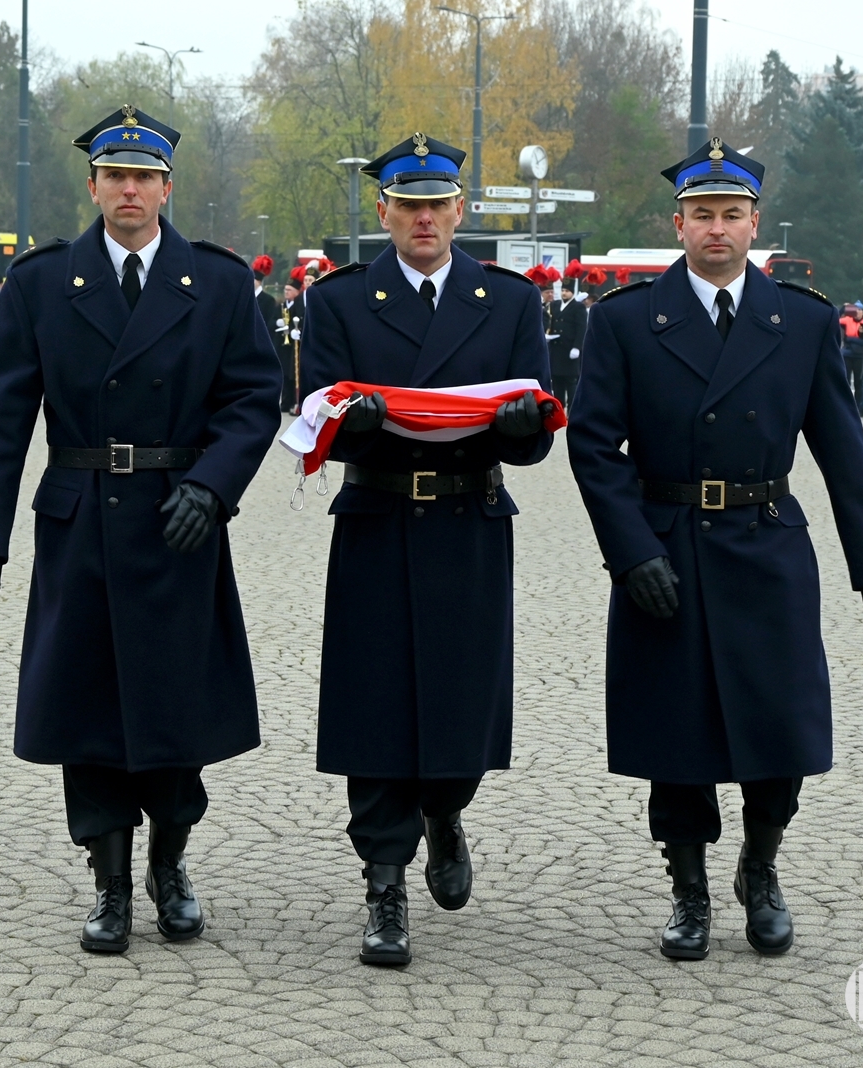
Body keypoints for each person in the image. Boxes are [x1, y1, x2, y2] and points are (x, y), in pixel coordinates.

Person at [0, 103, 282, 956]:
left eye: (144, 176)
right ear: (93, 185)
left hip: (180, 518)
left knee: (176, 704)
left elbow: (253, 399)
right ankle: (109, 880)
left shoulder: (216, 283)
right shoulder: (41, 283)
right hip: (81, 516)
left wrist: (212, 487)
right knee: (88, 706)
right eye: (114, 176)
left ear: (167, 188)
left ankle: (170, 864)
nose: (129, 189)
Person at [567, 137, 863, 961]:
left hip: (766, 543)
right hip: (668, 545)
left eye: (732, 214)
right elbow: (593, 446)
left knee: (780, 725)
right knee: (675, 731)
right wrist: (629, 551)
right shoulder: (626, 321)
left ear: (756, 224)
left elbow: (841, 447)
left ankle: (762, 863)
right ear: (677, 225)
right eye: (702, 215)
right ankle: (689, 888)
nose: (717, 229)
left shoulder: (803, 321)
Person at [302, 131, 554, 967]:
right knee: (373, 706)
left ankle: (446, 810)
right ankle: (384, 883)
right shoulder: (340, 301)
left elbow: (535, 434)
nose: (423, 218)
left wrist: (517, 430)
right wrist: (354, 426)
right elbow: (314, 417)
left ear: (459, 209)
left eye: (437, 204)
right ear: (383, 210)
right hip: (376, 518)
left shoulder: (508, 302)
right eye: (407, 204)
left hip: (467, 521)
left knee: (462, 701)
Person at [546, 279, 587, 409]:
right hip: (556, 349)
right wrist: (547, 334)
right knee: (557, 382)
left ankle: (572, 411)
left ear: (572, 292)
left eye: (567, 291)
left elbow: (581, 328)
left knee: (571, 383)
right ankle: (559, 410)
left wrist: (577, 347)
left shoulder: (578, 307)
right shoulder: (555, 305)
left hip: (569, 349)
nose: (564, 293)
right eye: (563, 290)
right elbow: (550, 322)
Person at [274, 276, 304, 413]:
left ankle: (293, 401)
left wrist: (292, 329)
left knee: (292, 374)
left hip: (293, 345)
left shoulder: (298, 306)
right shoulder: (281, 306)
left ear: (297, 292)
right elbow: (271, 321)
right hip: (282, 344)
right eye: (285, 290)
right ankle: (285, 402)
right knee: (284, 374)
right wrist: (278, 323)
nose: (286, 292)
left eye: (289, 290)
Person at [839, 302, 863, 415]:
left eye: (859, 310)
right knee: (846, 380)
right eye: (855, 309)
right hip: (847, 354)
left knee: (859, 382)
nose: (857, 312)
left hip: (859, 355)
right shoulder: (847, 320)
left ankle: (858, 407)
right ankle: (845, 406)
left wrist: (851, 339)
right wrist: (844, 308)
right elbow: (835, 318)